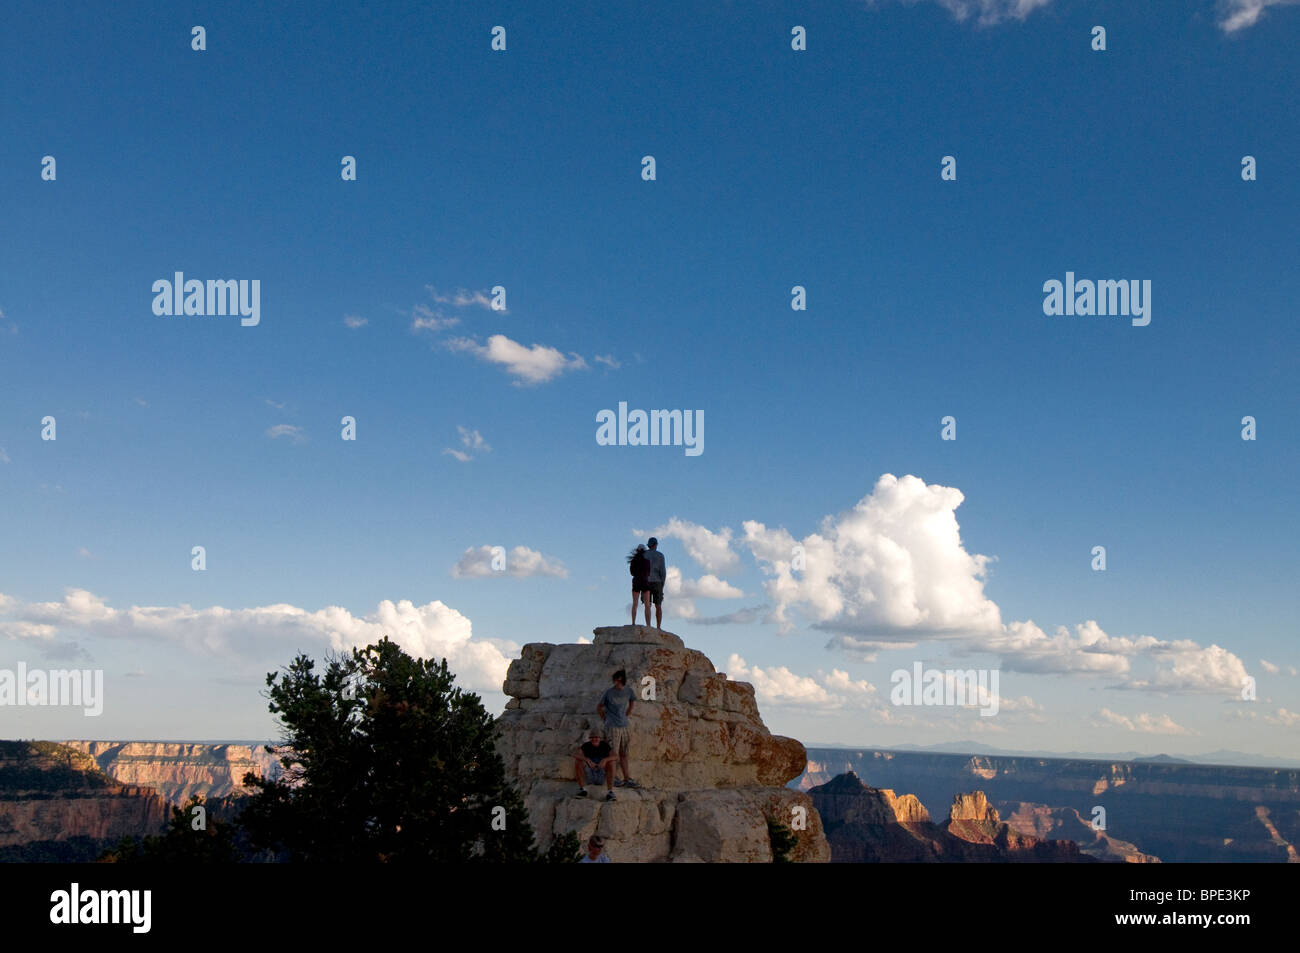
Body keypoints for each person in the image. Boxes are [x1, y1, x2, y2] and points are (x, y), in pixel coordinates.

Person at [597, 669, 639, 792]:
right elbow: (599, 707)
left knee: (624, 753)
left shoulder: (628, 691)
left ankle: (627, 779)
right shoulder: (609, 693)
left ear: (620, 679)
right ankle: (614, 777)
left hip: (624, 725)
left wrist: (626, 715)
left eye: (616, 679)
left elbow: (632, 702)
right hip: (612, 726)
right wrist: (605, 719)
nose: (614, 681)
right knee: (613, 754)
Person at [574, 729, 618, 800]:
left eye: (596, 737)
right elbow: (575, 754)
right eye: (592, 737)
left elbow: (616, 756)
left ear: (600, 738)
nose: (594, 739)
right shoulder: (586, 745)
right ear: (590, 738)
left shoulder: (605, 745)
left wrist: (605, 760)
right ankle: (583, 790)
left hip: (602, 774)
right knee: (578, 761)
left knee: (612, 762)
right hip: (590, 774)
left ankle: (610, 792)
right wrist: (587, 759)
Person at [645, 537, 666, 630]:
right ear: (656, 545)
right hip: (657, 581)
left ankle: (648, 625)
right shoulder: (660, 555)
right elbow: (663, 571)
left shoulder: (644, 554)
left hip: (646, 581)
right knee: (658, 605)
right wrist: (662, 583)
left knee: (647, 605)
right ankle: (658, 627)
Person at [628, 544, 651, 626]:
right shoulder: (647, 561)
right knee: (647, 605)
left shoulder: (633, 561)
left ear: (637, 550)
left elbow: (631, 573)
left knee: (635, 603)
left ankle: (633, 622)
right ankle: (648, 624)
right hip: (645, 581)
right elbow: (649, 572)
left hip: (636, 581)